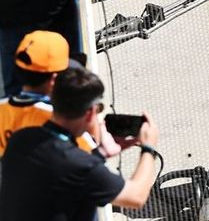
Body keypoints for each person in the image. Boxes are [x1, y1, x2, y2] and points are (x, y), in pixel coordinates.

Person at [0, 68, 159, 221]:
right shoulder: (81, 166)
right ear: (91, 113)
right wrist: (149, 147)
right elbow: (136, 197)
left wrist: (98, 153)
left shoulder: (22, 138)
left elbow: (55, 178)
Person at [0, 30, 120, 158]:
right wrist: (95, 123)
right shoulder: (63, 119)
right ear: (54, 79)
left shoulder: (2, 108)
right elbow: (90, 161)